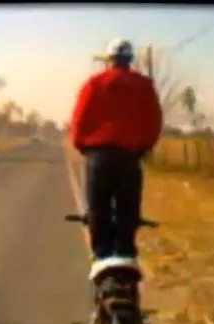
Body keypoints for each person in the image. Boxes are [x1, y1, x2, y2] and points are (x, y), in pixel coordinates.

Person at [69, 38, 163, 282]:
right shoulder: (144, 85)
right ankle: (125, 255)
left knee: (98, 210)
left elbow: (79, 122)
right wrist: (142, 148)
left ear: (109, 60)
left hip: (99, 156)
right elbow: (154, 122)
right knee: (127, 210)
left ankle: (102, 256)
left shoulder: (94, 83)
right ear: (129, 60)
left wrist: (84, 147)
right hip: (130, 157)